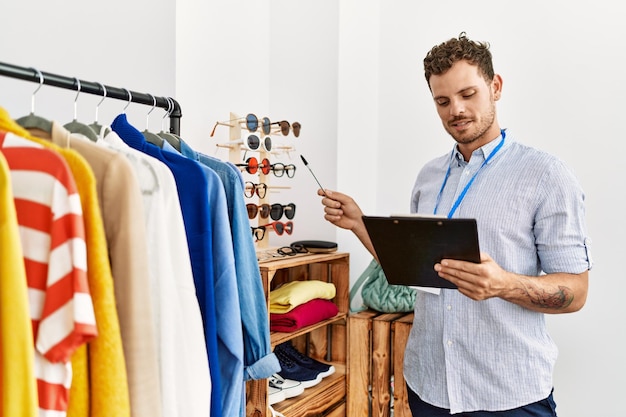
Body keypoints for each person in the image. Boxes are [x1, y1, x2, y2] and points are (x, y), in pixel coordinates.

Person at [318, 33, 592, 416]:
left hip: (508, 394)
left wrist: (504, 284)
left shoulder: (546, 175)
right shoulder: (428, 177)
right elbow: (414, 268)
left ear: (495, 87)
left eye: (468, 94)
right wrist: (359, 224)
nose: (456, 110)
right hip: (428, 385)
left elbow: (576, 292)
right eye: (443, 101)